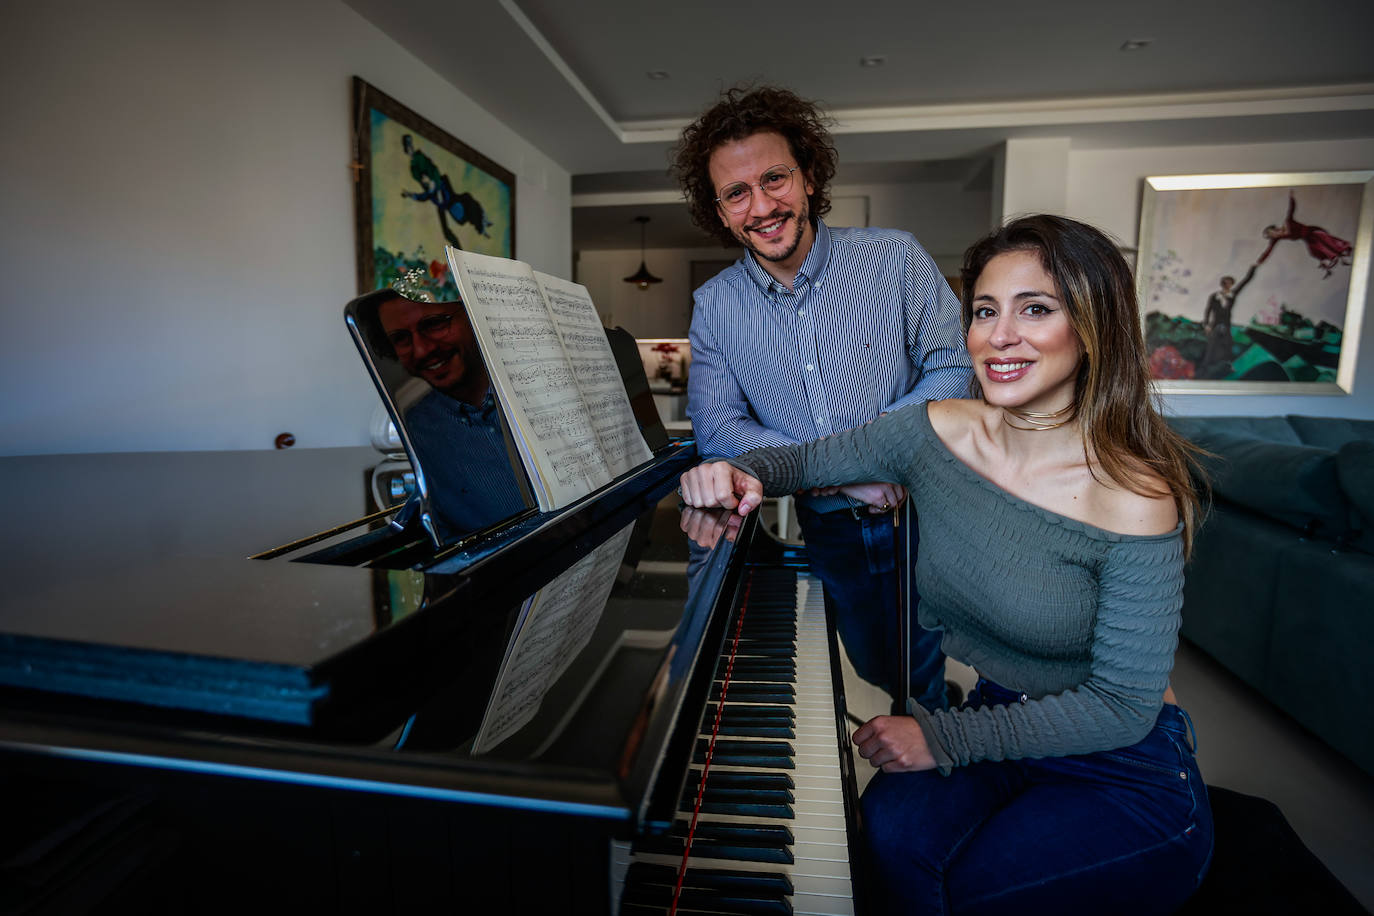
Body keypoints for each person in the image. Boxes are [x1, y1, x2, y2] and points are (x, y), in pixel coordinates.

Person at [679, 214, 1213, 914]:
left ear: (1092, 326)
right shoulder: (934, 431)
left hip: (1121, 763)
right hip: (1002, 713)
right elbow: (803, 461)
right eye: (985, 311)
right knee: (886, 837)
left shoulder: (1136, 494)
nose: (1000, 337)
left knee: (970, 888)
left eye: (1036, 310)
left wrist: (939, 733)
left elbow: (1120, 706)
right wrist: (735, 472)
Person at [671, 85, 973, 713]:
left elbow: (955, 367)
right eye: (737, 193)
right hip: (829, 524)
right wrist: (851, 474)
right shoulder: (715, 306)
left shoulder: (894, 258)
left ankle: (946, 736)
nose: (761, 205)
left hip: (922, 512)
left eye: (774, 178)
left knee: (928, 664)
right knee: (873, 660)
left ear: (808, 176)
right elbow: (720, 429)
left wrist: (877, 459)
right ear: (721, 212)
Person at [356, 281, 528, 539]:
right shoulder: (414, 427)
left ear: (473, 319)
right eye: (400, 339)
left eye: (435, 323)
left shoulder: (538, 389)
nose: (423, 349)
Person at [1258, 189, 1353, 278]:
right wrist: (1259, 261)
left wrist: (1292, 197)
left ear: (1274, 229)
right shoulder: (1278, 238)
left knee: (1328, 244)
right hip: (1308, 240)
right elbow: (1268, 250)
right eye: (1271, 236)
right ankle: (1337, 262)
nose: (1274, 235)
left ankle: (1344, 254)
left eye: (1272, 233)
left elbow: (1291, 210)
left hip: (1313, 232)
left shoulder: (1287, 222)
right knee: (1316, 253)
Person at [1200, 264, 1256, 372]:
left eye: (1230, 283)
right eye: (1226, 283)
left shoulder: (1233, 295)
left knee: (1229, 344)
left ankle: (1229, 365)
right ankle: (1204, 366)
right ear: (1223, 284)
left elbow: (1245, 281)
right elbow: (1208, 310)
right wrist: (1206, 325)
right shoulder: (1214, 296)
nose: (1228, 285)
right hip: (1215, 324)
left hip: (1226, 324)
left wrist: (1253, 268)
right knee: (1211, 345)